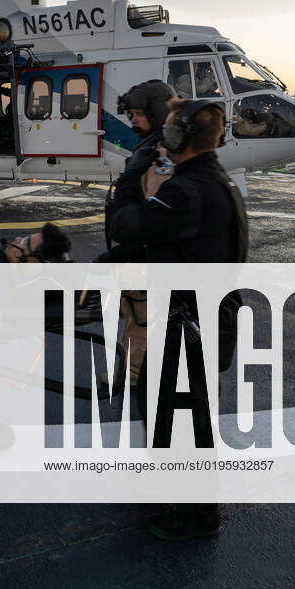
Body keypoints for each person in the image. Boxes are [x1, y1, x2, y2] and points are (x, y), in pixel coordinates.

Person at [107, 97, 249, 542]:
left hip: (190, 322)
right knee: (163, 407)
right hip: (194, 316)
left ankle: (199, 515)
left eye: (169, 130)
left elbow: (126, 223)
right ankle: (172, 486)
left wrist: (132, 173)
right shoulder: (209, 180)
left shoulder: (188, 190)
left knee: (185, 417)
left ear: (178, 137)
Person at [99, 80, 177, 263]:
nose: (133, 119)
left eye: (139, 114)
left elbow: (155, 210)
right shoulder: (152, 146)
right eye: (131, 114)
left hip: (149, 250)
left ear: (157, 113)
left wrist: (130, 175)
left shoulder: (160, 152)